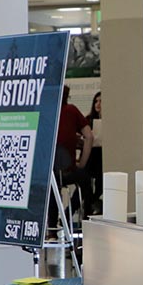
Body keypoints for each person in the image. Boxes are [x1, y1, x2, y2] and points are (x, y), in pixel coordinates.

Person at [52, 84, 94, 223]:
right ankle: (84, 217)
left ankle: (51, 228)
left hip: (51, 172)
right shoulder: (72, 110)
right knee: (86, 182)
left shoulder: (47, 112)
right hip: (69, 170)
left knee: (52, 187)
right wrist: (82, 163)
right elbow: (89, 136)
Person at [85, 90, 103, 214]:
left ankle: (94, 202)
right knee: (85, 184)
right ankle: (91, 204)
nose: (98, 104)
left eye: (101, 101)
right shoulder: (88, 120)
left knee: (100, 182)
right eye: (96, 101)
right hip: (91, 157)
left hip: (102, 157)